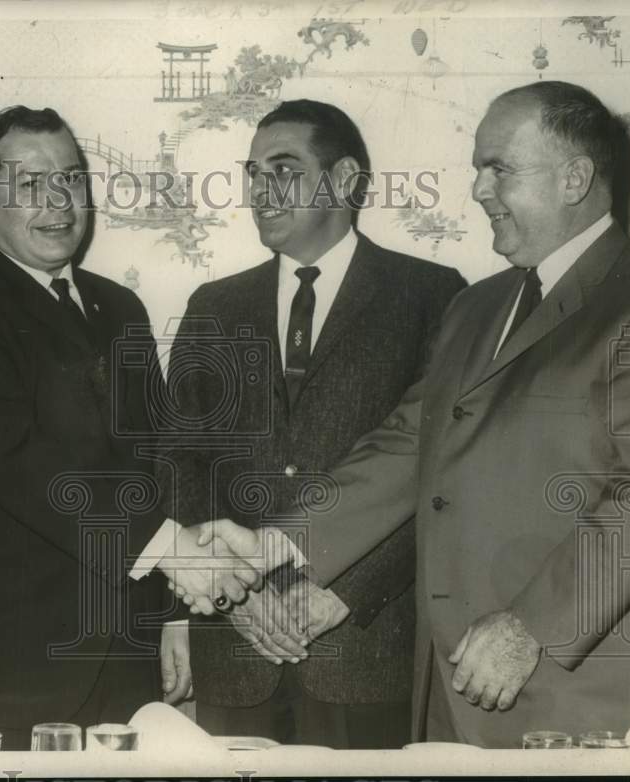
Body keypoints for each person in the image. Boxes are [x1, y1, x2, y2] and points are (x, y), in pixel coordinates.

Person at [193, 81, 630, 748]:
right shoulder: (479, 306)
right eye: (478, 167)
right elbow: (406, 443)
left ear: (574, 178)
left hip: (572, 692)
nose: (476, 189)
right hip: (446, 691)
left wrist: (531, 625)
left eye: (498, 168)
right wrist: (274, 543)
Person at [0, 106, 254, 749]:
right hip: (20, 664)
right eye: (30, 184)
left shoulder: (120, 306)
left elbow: (159, 462)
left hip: (130, 652)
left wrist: (174, 614)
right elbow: (21, 463)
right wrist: (176, 549)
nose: (59, 203)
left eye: (70, 179)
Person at [158, 99, 466, 747]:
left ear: (346, 177)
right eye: (252, 172)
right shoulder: (213, 306)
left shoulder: (433, 296)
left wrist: (345, 591)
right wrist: (229, 594)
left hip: (364, 644)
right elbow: (179, 464)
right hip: (234, 652)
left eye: (284, 168)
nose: (259, 191)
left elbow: (443, 471)